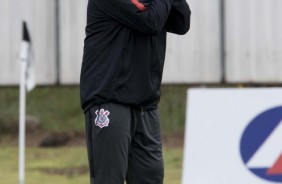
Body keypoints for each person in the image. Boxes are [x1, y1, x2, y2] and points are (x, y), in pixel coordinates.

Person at [80, 0, 191, 183]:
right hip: (110, 100)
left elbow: (182, 22)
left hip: (146, 104)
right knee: (109, 179)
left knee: (151, 177)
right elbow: (150, 21)